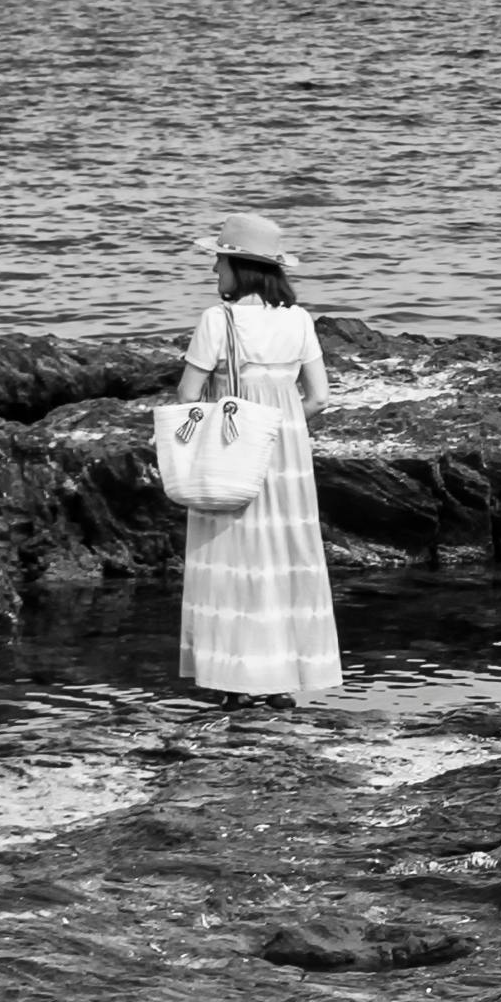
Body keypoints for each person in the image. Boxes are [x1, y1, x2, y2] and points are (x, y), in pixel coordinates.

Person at [174, 210, 341, 702]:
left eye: (219, 261)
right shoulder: (298, 320)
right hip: (287, 455)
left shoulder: (216, 320)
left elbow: (188, 394)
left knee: (235, 559)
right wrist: (282, 427)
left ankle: (238, 681)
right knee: (287, 559)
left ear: (238, 267)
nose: (213, 272)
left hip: (233, 452)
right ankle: (284, 679)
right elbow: (319, 398)